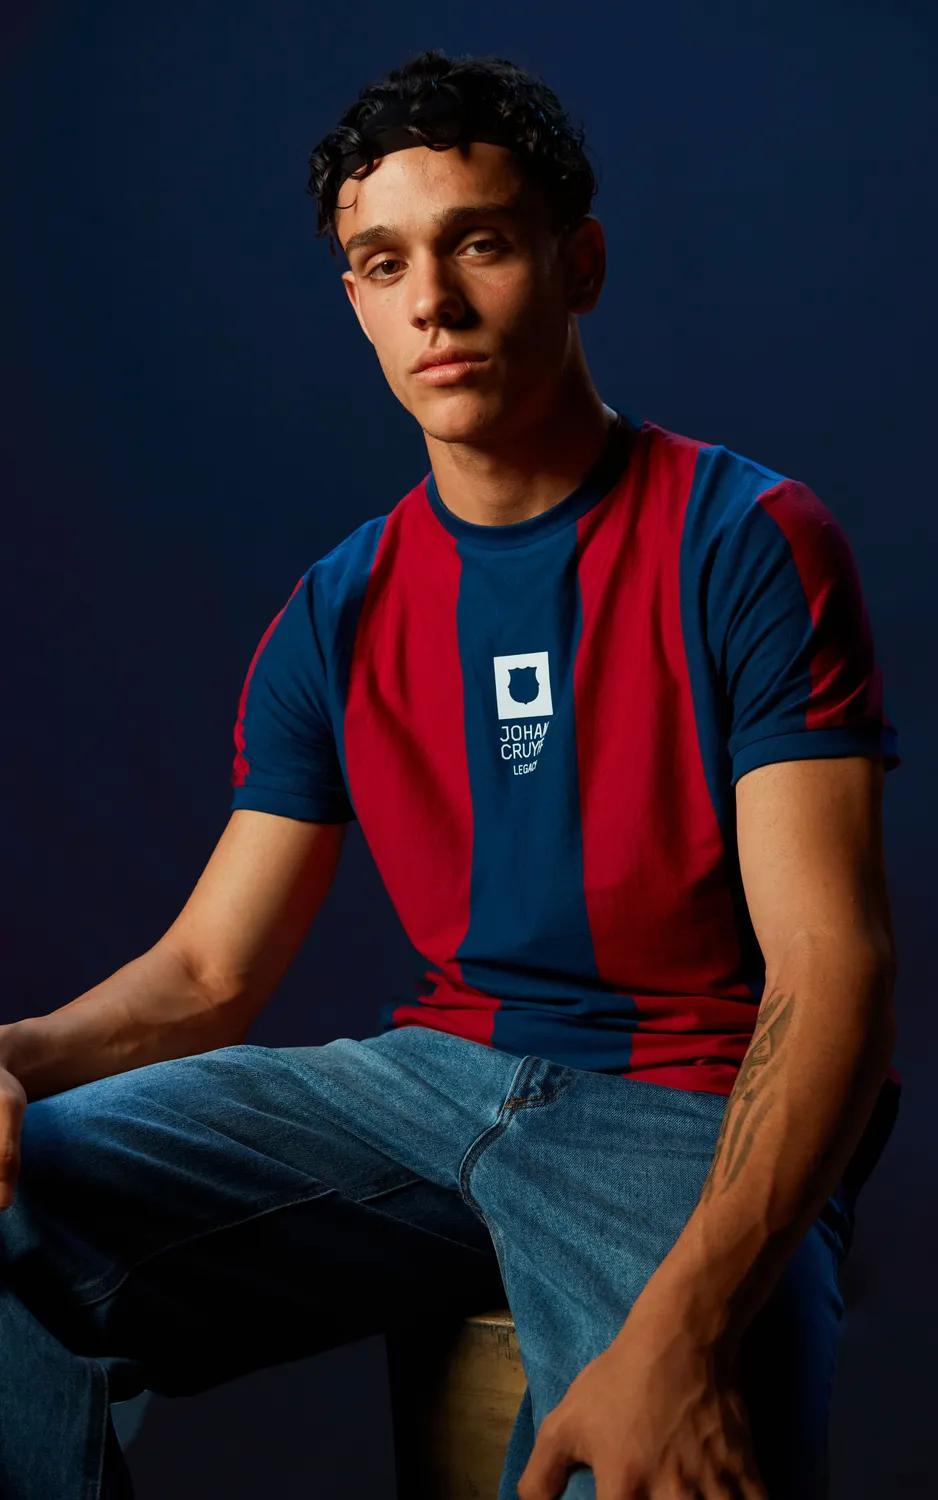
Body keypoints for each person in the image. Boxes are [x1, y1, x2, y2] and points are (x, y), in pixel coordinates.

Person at [0, 47, 902, 1500]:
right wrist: (13, 1058)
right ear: (356, 300)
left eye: (478, 243)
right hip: (424, 1085)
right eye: (384, 263)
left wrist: (681, 1335)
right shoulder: (337, 607)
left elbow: (830, 965)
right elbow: (207, 976)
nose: (432, 299)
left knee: (654, 1470)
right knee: (8, 1201)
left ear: (577, 262)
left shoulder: (744, 538)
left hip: (678, 1102)